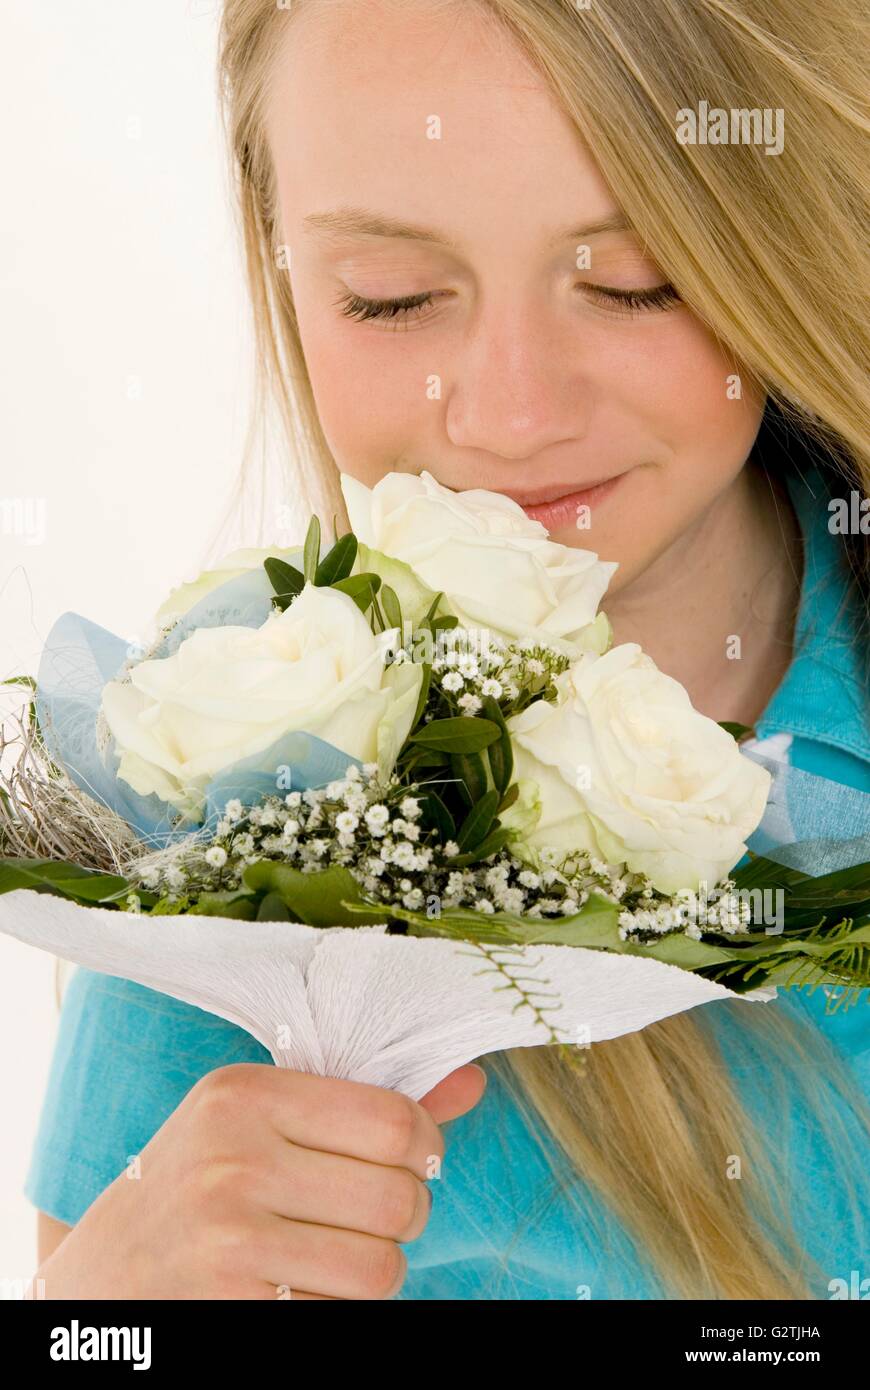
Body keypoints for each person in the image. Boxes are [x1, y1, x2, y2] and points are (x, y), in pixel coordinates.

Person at [25, 0, 869, 1299]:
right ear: (282, 261)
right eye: (392, 299)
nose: (513, 412)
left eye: (631, 276)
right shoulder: (239, 802)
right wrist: (106, 1310)